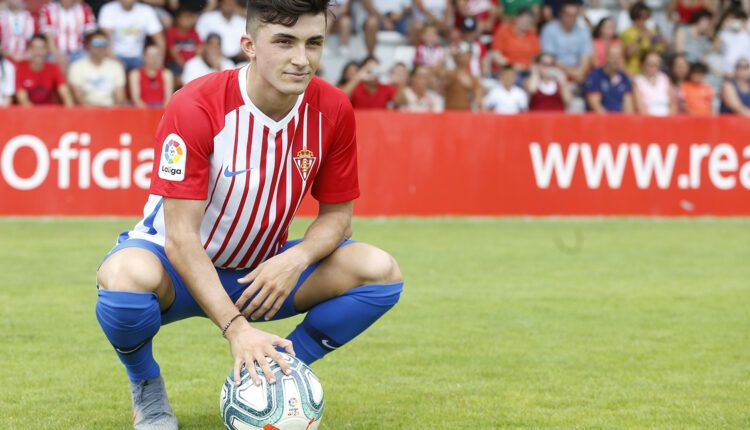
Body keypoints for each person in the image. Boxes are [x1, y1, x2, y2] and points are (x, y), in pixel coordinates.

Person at [94, 2, 403, 429]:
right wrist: (236, 329)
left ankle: (277, 368)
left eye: (314, 43)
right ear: (249, 46)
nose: (301, 59)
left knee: (379, 271)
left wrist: (294, 260)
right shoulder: (196, 106)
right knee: (125, 276)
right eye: (284, 42)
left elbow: (338, 218)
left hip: (257, 277)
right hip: (176, 268)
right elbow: (181, 239)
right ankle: (146, 388)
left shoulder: (332, 109)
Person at [98, 0, 165, 72]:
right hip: (114, 56)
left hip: (139, 58)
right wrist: (114, 60)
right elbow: (104, 39)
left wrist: (159, 61)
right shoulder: (108, 9)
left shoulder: (146, 11)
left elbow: (160, 40)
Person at [67, 30, 126, 106]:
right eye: (96, 43)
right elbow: (78, 98)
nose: (100, 46)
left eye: (104, 43)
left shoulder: (116, 67)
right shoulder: (76, 67)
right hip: (86, 112)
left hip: (110, 111)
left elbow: (120, 97)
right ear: (87, 46)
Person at [540, 0, 593, 83]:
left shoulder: (584, 30)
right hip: (555, 73)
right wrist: (573, 73)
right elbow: (550, 59)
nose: (571, 18)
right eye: (568, 15)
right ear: (561, 14)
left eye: (574, 15)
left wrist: (579, 72)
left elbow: (586, 57)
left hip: (579, 74)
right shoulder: (549, 29)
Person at [14, 34, 74, 106]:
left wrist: (70, 113)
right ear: (29, 49)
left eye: (41, 48)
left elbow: (65, 94)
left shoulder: (53, 68)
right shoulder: (20, 68)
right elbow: (23, 99)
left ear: (47, 50)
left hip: (50, 112)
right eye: (34, 48)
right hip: (28, 113)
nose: (38, 52)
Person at [39, 0, 97, 68]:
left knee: (89, 61)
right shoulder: (48, 10)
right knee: (54, 62)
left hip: (79, 52)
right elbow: (48, 37)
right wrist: (58, 55)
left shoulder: (85, 10)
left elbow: (91, 34)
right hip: (56, 52)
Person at [583, 44, 634, 113]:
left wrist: (625, 122)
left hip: (620, 119)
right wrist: (610, 122)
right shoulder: (595, 75)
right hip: (600, 121)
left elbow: (629, 108)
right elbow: (596, 105)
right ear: (606, 57)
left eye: (618, 57)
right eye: (613, 57)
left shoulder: (624, 78)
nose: (616, 60)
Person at [620, 2, 667, 75]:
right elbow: (627, 54)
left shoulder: (652, 32)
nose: (643, 21)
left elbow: (660, 51)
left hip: (650, 71)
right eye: (640, 17)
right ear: (634, 17)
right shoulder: (627, 33)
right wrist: (640, 38)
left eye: (646, 17)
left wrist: (661, 40)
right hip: (633, 71)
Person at [490, 7, 540, 72]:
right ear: (516, 18)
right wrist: (511, 66)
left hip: (527, 71)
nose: (526, 23)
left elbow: (536, 57)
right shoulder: (503, 31)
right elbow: (496, 55)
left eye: (529, 21)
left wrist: (529, 67)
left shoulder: (533, 36)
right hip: (506, 69)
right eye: (523, 20)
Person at [633, 51, 676, 115]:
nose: (653, 67)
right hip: (648, 120)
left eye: (656, 64)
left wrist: (669, 120)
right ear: (642, 64)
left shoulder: (665, 78)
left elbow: (673, 104)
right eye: (650, 64)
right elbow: (640, 108)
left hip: (667, 119)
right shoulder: (638, 81)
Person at [444, 41, 484, 110]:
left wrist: (474, 91)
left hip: (466, 114)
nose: (466, 58)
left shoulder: (472, 78)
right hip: (451, 113)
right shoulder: (450, 73)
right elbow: (435, 71)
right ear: (458, 57)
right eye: (463, 55)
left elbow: (479, 98)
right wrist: (446, 55)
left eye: (468, 55)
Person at [165, 6, 202, 78]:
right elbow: (173, 53)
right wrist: (185, 65)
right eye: (186, 17)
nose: (189, 20)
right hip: (176, 64)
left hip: (192, 64)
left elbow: (199, 49)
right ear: (178, 19)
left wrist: (194, 64)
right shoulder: (171, 32)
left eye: (190, 17)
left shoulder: (194, 33)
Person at [717, 8, 750, 77]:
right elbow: (715, 49)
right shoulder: (725, 33)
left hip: (745, 70)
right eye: (732, 20)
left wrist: (745, 28)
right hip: (728, 71)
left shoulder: (747, 34)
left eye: (737, 20)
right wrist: (722, 29)